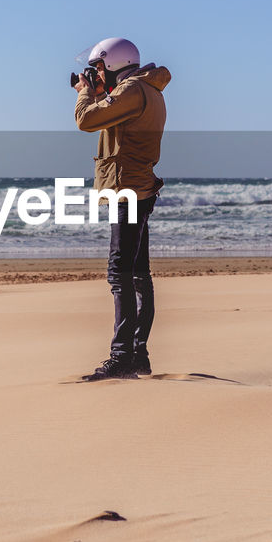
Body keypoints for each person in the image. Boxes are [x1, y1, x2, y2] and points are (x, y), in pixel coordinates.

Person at [73, 37, 171, 381]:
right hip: (139, 186)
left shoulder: (132, 91)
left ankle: (121, 357)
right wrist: (100, 92)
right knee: (138, 274)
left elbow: (86, 120)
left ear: (111, 63)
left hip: (127, 189)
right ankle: (138, 354)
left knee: (121, 275)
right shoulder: (147, 90)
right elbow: (115, 123)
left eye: (99, 67)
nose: (97, 74)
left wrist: (86, 93)